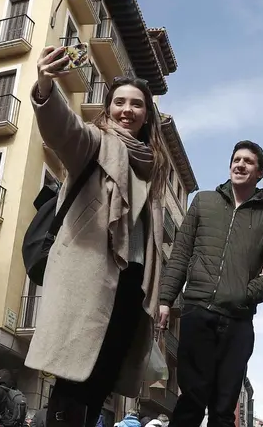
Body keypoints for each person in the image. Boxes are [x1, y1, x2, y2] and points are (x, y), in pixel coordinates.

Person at [24, 47, 170, 427]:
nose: (127, 110)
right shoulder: (92, 142)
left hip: (130, 284)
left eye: (136, 105)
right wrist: (45, 86)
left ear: (146, 115)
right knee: (73, 377)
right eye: (119, 102)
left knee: (101, 380)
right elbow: (62, 129)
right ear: (108, 109)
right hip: (88, 276)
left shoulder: (152, 167)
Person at [158, 140, 263, 427]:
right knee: (191, 399)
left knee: (224, 406)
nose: (240, 165)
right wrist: (165, 300)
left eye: (248, 162)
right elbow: (180, 253)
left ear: (260, 172)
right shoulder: (204, 202)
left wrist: (247, 294)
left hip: (238, 320)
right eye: (236, 159)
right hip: (197, 312)